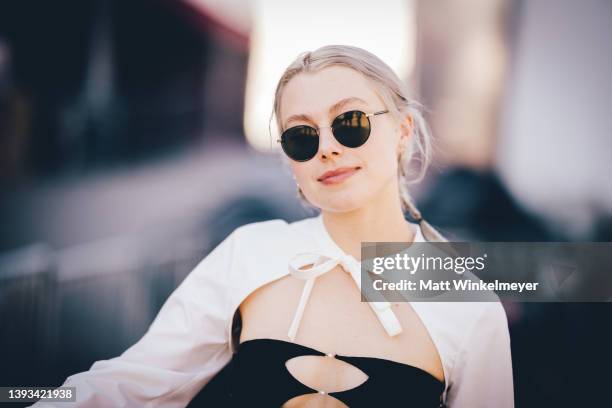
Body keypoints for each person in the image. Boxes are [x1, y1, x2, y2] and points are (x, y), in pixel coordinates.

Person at [31, 45, 514, 407]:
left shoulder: (467, 305)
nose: (327, 147)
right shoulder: (251, 253)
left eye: (350, 123)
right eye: (302, 135)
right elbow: (125, 385)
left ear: (403, 130)